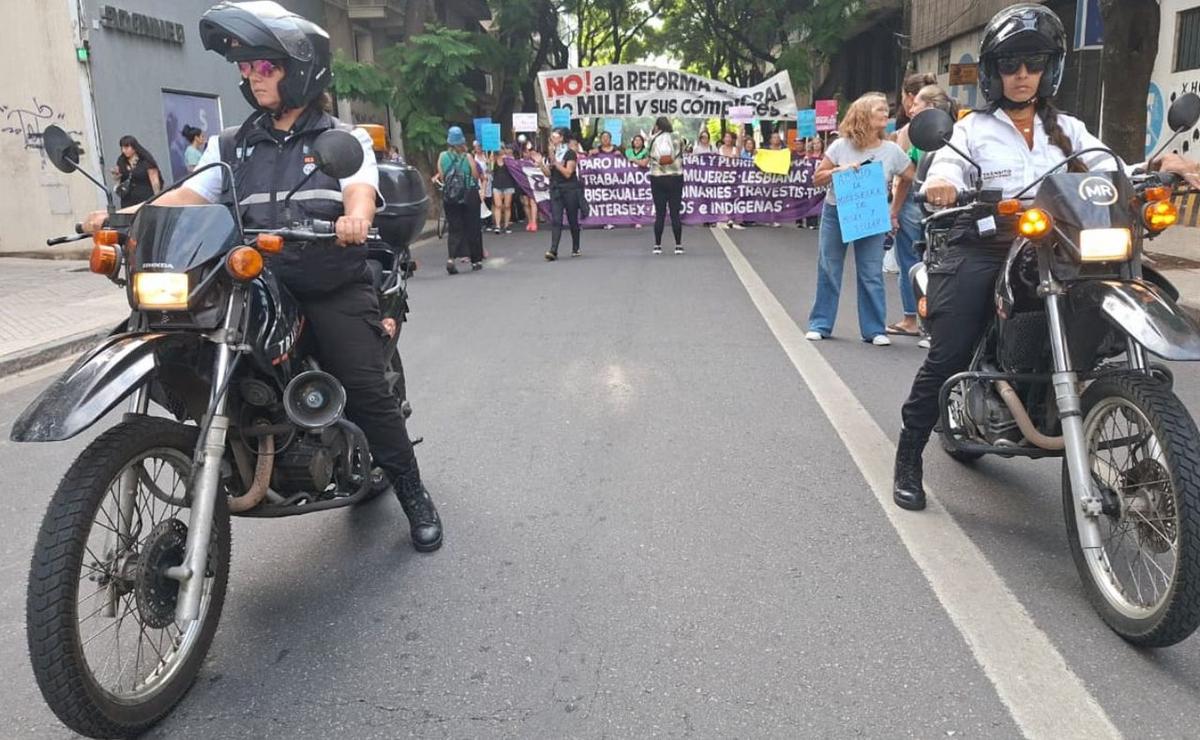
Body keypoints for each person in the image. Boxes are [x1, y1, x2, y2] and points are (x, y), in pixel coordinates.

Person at [80, 1, 442, 550]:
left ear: (301, 69)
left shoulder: (344, 140)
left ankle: (412, 492)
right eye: (246, 69)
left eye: (264, 67)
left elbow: (360, 190)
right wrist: (129, 216)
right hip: (250, 281)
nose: (252, 78)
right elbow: (188, 194)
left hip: (326, 280)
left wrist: (355, 219)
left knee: (366, 387)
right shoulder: (231, 144)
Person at [891, 3, 1200, 512]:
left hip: (1064, 247)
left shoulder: (1071, 129)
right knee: (949, 351)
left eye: (1032, 63)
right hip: (990, 243)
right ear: (994, 71)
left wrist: (1161, 164)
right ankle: (908, 455)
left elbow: (1112, 169)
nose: (1021, 75)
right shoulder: (970, 130)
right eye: (1011, 64)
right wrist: (943, 184)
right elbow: (944, 164)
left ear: (1048, 69)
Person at [805, 92, 915, 347]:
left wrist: (894, 208)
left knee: (871, 273)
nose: (885, 112)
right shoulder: (840, 146)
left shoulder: (892, 150)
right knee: (829, 268)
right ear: (863, 114)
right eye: (879, 109)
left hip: (872, 215)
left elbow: (909, 176)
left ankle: (874, 329)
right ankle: (820, 324)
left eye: (886, 109)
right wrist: (836, 171)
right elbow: (817, 178)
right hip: (837, 212)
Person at [887, 84, 959, 340]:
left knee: (913, 265)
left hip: (915, 206)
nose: (911, 107)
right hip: (949, 213)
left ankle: (912, 318)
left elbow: (907, 178)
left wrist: (893, 210)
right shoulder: (958, 134)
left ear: (929, 107)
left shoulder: (924, 137)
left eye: (916, 102)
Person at [435, 126, 485, 273]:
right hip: (469, 195)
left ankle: (451, 259)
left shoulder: (442, 156)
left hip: (450, 196)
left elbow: (443, 176)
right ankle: (475, 261)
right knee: (473, 227)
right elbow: (475, 176)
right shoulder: (468, 157)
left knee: (454, 228)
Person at [534, 127, 582, 260]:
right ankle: (553, 250)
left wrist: (555, 161)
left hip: (570, 190)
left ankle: (576, 247)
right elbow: (550, 174)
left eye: (555, 136)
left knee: (572, 220)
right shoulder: (553, 153)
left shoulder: (570, 153)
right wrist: (542, 165)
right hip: (556, 190)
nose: (552, 138)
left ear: (561, 138)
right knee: (556, 220)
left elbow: (568, 173)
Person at [647, 116, 684, 255]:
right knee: (675, 212)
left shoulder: (652, 139)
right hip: (675, 177)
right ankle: (678, 245)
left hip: (657, 177)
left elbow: (648, 154)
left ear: (657, 125)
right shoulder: (677, 137)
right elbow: (682, 150)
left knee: (660, 212)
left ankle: (657, 245)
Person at [112, 135, 162, 208]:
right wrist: (116, 176)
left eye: (126, 147)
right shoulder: (121, 160)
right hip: (127, 200)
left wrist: (157, 199)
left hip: (144, 198)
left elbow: (155, 181)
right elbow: (119, 179)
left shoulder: (145, 160)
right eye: (122, 148)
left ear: (134, 147)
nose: (123, 150)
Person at [490, 144, 517, 234]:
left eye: (501, 148)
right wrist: (490, 160)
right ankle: (498, 225)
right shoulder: (493, 159)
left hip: (508, 184)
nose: (500, 150)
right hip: (497, 184)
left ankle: (506, 225)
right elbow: (490, 171)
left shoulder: (508, 159)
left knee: (507, 206)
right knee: (498, 205)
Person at [802, 137, 824, 230]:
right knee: (810, 201)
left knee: (820, 201)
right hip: (810, 182)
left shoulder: (825, 156)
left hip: (821, 182)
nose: (816, 145)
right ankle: (810, 221)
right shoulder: (808, 156)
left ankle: (819, 221)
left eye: (818, 143)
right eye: (814, 144)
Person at [472, 140, 493, 234]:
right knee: (480, 201)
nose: (479, 148)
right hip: (478, 181)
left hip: (487, 180)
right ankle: (481, 222)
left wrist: (489, 164)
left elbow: (490, 169)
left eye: (480, 146)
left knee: (488, 200)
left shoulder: (487, 156)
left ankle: (489, 222)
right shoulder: (473, 158)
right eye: (477, 147)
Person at [520, 139, 541, 232]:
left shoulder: (535, 160)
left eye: (528, 152)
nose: (526, 154)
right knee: (525, 203)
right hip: (523, 184)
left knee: (533, 202)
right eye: (524, 152)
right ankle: (529, 220)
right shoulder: (519, 162)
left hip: (533, 185)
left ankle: (534, 222)